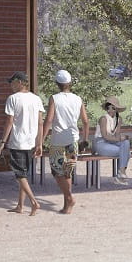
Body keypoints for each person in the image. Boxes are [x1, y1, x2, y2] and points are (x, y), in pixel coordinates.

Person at [0, 71, 45, 216]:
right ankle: (20, 206)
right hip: (31, 142)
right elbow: (40, 123)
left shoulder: (12, 99)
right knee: (23, 175)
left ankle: (34, 202)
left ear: (19, 82)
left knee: (19, 175)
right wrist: (39, 143)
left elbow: (9, 122)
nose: (10, 85)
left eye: (12, 82)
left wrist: (2, 142)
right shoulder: (36, 99)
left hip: (17, 141)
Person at [41, 69, 89, 213]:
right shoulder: (78, 99)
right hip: (73, 140)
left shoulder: (54, 98)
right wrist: (85, 141)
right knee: (67, 172)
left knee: (57, 172)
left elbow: (49, 120)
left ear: (57, 83)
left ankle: (69, 198)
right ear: (70, 83)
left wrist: (41, 140)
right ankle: (67, 204)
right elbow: (86, 122)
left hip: (57, 141)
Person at [93, 97, 132, 185]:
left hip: (112, 142)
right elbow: (105, 136)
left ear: (116, 109)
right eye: (108, 107)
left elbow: (116, 135)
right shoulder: (103, 119)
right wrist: (119, 138)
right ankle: (121, 174)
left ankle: (120, 174)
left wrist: (123, 137)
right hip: (101, 143)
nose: (110, 110)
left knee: (126, 142)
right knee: (127, 153)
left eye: (113, 108)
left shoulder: (119, 119)